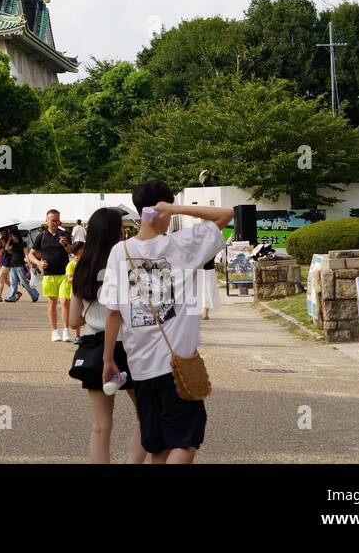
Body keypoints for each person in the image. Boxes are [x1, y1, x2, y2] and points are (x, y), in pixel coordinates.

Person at [100, 180, 232, 464]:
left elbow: (113, 312)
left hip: (141, 366)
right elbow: (227, 215)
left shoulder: (118, 252)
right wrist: (173, 206)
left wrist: (108, 359)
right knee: (185, 443)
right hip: (177, 365)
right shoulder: (181, 245)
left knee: (158, 446)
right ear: (161, 209)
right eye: (168, 211)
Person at [69, 207, 145, 464]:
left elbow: (72, 320)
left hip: (92, 346)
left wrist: (93, 315)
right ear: (117, 233)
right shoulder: (127, 265)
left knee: (100, 426)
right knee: (146, 416)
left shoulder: (81, 269)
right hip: (128, 345)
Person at [31, 209, 74, 342]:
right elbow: (30, 254)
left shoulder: (64, 234)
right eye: (52, 220)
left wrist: (65, 244)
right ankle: (54, 331)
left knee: (65, 301)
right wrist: (38, 263)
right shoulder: (41, 236)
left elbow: (72, 251)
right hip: (49, 275)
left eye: (57, 220)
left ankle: (66, 330)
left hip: (64, 273)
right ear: (47, 221)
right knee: (52, 302)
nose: (55, 223)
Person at [5, 227, 39, 302]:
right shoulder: (13, 244)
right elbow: (6, 248)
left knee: (24, 282)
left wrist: (29, 263)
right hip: (13, 265)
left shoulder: (23, 243)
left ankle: (35, 295)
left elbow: (26, 254)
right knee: (13, 282)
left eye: (12, 236)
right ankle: (10, 297)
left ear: (15, 235)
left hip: (20, 265)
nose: (11, 237)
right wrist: (9, 240)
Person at [0, 230, 12, 301]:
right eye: (0, 231)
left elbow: (10, 251)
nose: (1, 232)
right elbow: (0, 250)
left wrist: (9, 241)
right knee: (5, 280)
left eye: (3, 230)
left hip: (8, 260)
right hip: (1, 259)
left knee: (1, 277)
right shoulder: (1, 239)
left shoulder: (11, 238)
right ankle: (16, 292)